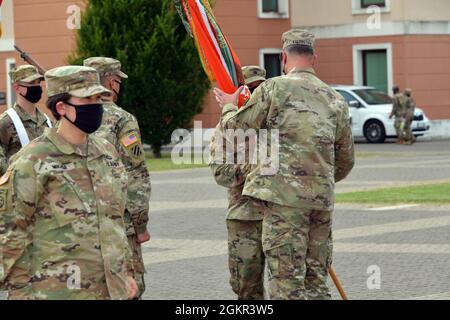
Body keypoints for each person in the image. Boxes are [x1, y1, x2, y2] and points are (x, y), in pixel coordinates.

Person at [214, 29, 355, 300]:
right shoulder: (335, 99)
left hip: (284, 205)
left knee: (286, 283)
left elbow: (236, 129)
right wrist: (315, 181)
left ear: (283, 57)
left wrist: (230, 106)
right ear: (314, 58)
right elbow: (346, 160)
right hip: (321, 204)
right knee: (316, 282)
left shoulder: (274, 88)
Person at [0, 65, 137, 300]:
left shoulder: (106, 153)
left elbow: (115, 220)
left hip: (111, 289)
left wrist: (127, 272)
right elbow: (9, 231)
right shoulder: (32, 160)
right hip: (55, 291)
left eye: (98, 98)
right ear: (62, 107)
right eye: (87, 100)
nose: (96, 107)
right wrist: (20, 291)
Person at [83, 57, 151, 298]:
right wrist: (140, 224)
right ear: (112, 83)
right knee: (130, 285)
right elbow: (136, 174)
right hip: (120, 221)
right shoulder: (122, 120)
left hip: (82, 221)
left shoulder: (70, 119)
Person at [209, 66, 266, 300]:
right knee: (246, 288)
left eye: (259, 89)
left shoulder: (277, 123)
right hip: (245, 218)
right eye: (249, 89)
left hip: (281, 216)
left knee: (290, 285)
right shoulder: (225, 129)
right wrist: (254, 163)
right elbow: (221, 173)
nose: (254, 95)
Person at [0, 65, 53, 175]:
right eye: (31, 83)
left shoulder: (48, 121)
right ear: (17, 88)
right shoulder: (6, 122)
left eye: (38, 82)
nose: (37, 86)